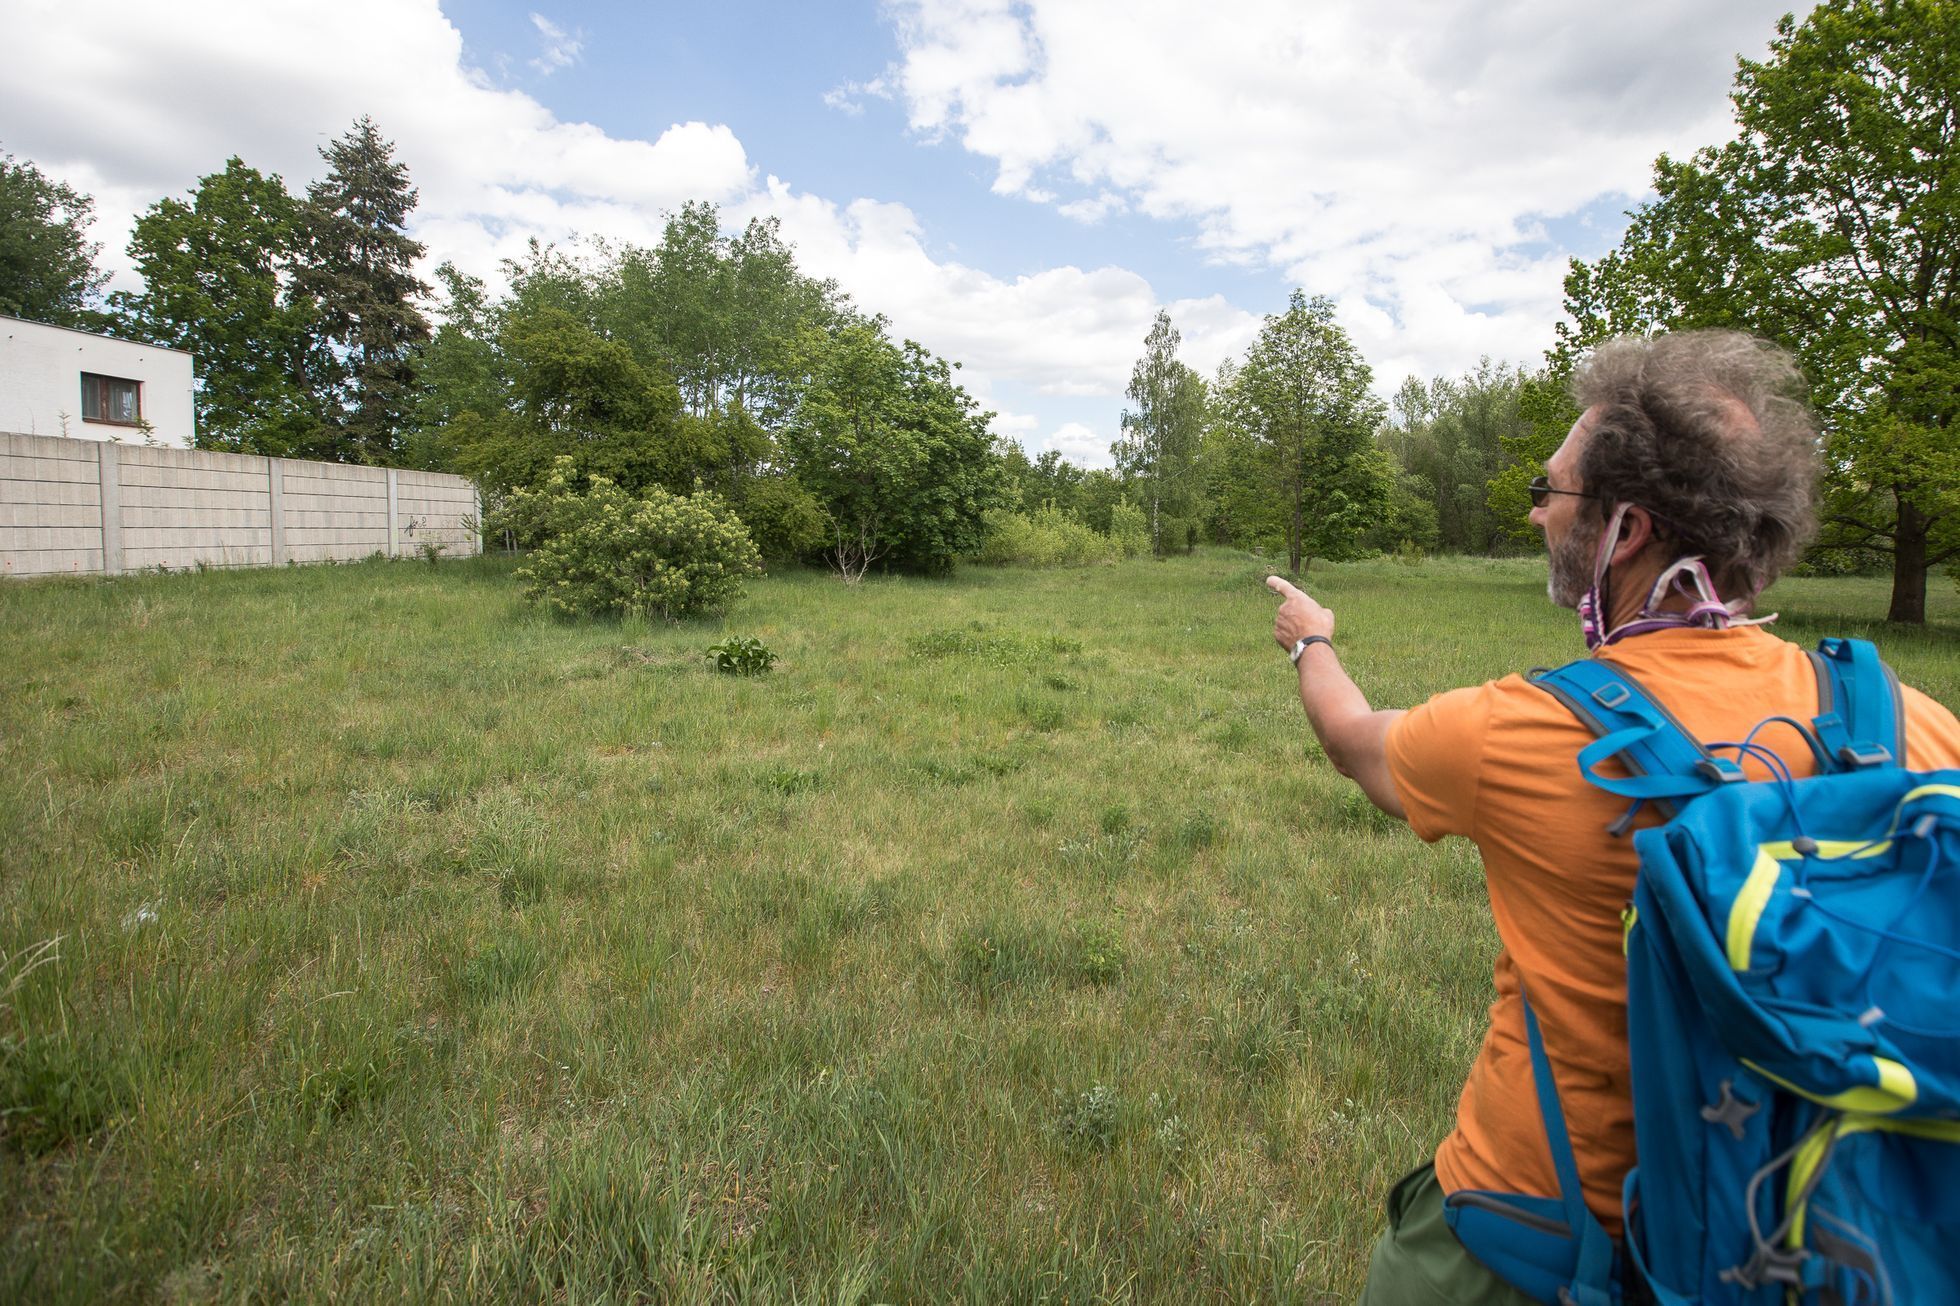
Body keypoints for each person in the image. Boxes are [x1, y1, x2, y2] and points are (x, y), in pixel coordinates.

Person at [1263, 330, 1960, 1305]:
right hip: (1805, 1237)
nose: (1542, 514)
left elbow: (1355, 743)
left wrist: (1313, 642)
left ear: (1623, 530)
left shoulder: (1522, 731)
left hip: (1542, 1236)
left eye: (1549, 494)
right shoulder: (1910, 724)